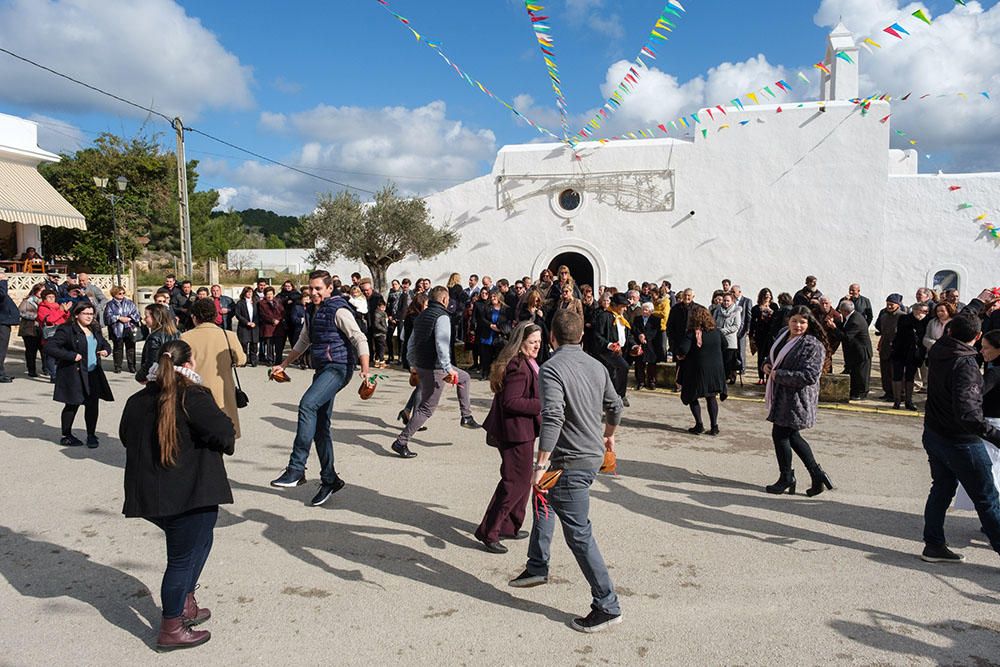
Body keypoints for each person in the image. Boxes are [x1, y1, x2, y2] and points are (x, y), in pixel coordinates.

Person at [508, 309, 623, 634]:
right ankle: (537, 565)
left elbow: (554, 416)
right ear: (582, 336)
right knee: (544, 499)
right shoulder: (597, 366)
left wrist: (540, 462)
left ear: (553, 338)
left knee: (579, 534)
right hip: (586, 457)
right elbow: (616, 405)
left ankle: (608, 603)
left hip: (569, 460)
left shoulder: (551, 368)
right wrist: (609, 432)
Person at [119, 339, 235, 652]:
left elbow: (125, 437)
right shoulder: (193, 396)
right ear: (191, 363)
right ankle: (171, 626)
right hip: (189, 492)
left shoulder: (138, 399)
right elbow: (224, 432)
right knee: (181, 559)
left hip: (153, 494)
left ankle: (184, 601)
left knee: (201, 540)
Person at [268, 271, 370, 505]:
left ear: (328, 289)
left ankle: (296, 468)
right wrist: (283, 364)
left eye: (318, 289)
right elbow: (303, 342)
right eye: (311, 288)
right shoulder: (311, 311)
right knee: (320, 426)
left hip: (339, 368)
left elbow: (359, 338)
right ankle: (329, 479)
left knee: (307, 405)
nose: (313, 293)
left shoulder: (339, 310)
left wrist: (365, 369)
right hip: (323, 369)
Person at [920, 295, 1000, 563]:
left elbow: (962, 318)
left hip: (934, 434)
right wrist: (995, 436)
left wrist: (979, 301)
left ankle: (933, 544)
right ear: (978, 337)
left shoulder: (942, 347)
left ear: (950, 331)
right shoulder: (965, 365)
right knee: (987, 499)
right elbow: (968, 415)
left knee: (941, 488)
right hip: (959, 440)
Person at [475, 322, 543, 553]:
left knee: (522, 481)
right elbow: (511, 401)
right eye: (533, 342)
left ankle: (510, 526)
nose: (537, 346)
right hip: (514, 433)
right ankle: (489, 531)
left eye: (539, 342)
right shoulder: (518, 366)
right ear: (521, 342)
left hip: (521, 431)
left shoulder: (528, 363)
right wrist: (542, 404)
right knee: (514, 483)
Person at [389, 286, 479, 458]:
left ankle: (466, 416)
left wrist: (412, 363)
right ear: (445, 300)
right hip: (435, 367)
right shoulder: (442, 316)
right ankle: (401, 441)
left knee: (465, 378)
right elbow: (442, 344)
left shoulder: (422, 315)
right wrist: (448, 368)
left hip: (423, 365)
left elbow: (410, 341)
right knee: (426, 409)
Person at [763, 306, 833, 496]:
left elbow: (810, 376)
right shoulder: (783, 334)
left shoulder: (812, 345)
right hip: (780, 396)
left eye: (802, 322)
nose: (798, 325)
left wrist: (779, 375)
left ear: (809, 324)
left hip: (797, 399)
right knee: (791, 436)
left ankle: (787, 477)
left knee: (781, 435)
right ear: (788, 320)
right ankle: (816, 475)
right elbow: (771, 355)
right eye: (794, 321)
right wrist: (766, 365)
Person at [48, 301, 113, 448]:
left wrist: (106, 351)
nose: (89, 317)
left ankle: (91, 435)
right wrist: (71, 356)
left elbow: (104, 343)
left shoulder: (94, 328)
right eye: (86, 313)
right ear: (77, 314)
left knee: (92, 405)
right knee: (72, 404)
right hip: (74, 373)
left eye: (91, 314)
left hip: (92, 373)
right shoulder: (67, 330)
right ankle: (66, 435)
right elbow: (50, 347)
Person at [181, 299, 247, 439]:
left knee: (197, 432)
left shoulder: (185, 337)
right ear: (215, 315)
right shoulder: (229, 336)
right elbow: (241, 360)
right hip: (223, 391)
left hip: (195, 391)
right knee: (223, 431)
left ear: (194, 316)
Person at [954, 329, 1000, 512]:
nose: (982, 351)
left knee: (988, 476)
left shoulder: (995, 374)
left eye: (986, 348)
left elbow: (974, 397)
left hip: (991, 427)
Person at [677, 305, 727, 435]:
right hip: (715, 369)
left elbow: (683, 349)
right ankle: (714, 426)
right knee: (711, 397)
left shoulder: (693, 333)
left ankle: (699, 425)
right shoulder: (716, 331)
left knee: (692, 396)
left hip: (697, 370)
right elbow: (725, 345)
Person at [592, 292, 635, 406]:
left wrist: (634, 345)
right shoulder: (604, 316)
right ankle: (618, 396)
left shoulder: (623, 318)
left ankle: (617, 396)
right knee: (621, 368)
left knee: (615, 373)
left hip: (621, 351)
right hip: (607, 351)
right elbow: (597, 335)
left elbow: (628, 335)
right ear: (615, 305)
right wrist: (609, 344)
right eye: (623, 306)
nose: (625, 309)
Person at [890, 302, 929, 411]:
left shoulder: (926, 321)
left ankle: (909, 401)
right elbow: (902, 332)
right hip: (900, 350)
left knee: (910, 377)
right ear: (916, 310)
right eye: (922, 311)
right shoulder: (905, 318)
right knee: (897, 375)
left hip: (914, 353)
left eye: (926, 312)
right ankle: (897, 400)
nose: (924, 314)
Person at [835, 300, 873, 400]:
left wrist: (834, 328)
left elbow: (846, 337)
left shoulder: (855, 320)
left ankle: (861, 393)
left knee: (861, 374)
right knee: (855, 373)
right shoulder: (851, 316)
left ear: (844, 311)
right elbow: (844, 328)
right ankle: (855, 392)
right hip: (854, 352)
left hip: (861, 352)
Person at [137, 303, 180, 384]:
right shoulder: (177, 333)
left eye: (147, 316)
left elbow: (151, 362)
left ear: (155, 318)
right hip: (175, 377)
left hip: (158, 379)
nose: (145, 319)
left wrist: (140, 376)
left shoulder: (154, 337)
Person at [104, 286, 141, 374]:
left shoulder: (129, 302)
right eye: (119, 293)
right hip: (116, 328)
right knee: (117, 348)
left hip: (129, 327)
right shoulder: (110, 304)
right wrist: (118, 318)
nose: (122, 295)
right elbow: (107, 316)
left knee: (131, 348)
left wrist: (129, 318)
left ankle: (132, 366)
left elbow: (136, 313)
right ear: (114, 294)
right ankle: (117, 366)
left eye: (123, 293)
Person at [874, 294, 905, 401]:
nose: (889, 307)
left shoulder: (902, 316)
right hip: (885, 347)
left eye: (891, 304)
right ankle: (888, 392)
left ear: (898, 305)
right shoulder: (884, 316)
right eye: (888, 304)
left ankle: (899, 394)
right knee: (885, 372)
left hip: (898, 349)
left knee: (896, 373)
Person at [476, 291, 510, 381]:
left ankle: (497, 375)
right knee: (486, 356)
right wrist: (490, 325)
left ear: (499, 298)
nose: (492, 298)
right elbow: (482, 319)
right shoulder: (487, 308)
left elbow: (507, 321)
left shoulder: (505, 309)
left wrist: (499, 328)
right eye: (491, 297)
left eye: (494, 297)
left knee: (498, 356)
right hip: (487, 335)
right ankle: (485, 374)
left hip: (499, 335)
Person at [38, 288, 70, 381]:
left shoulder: (57, 306)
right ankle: (54, 375)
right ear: (44, 298)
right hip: (50, 334)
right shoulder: (42, 308)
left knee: (61, 354)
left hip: (60, 332)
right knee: (51, 355)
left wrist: (66, 311)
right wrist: (60, 311)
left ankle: (60, 373)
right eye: (49, 297)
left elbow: (65, 318)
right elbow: (50, 320)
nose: (52, 299)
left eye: (53, 297)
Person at [631, 301, 662, 390]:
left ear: (651, 311)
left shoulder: (656, 320)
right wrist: (640, 335)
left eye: (646, 310)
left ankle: (651, 381)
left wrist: (646, 337)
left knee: (651, 364)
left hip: (651, 344)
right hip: (640, 344)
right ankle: (641, 381)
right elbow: (635, 329)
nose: (644, 312)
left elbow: (655, 331)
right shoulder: (637, 319)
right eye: (643, 310)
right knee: (640, 364)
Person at [712, 292, 741, 384]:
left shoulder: (736, 311)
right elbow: (713, 322)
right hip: (719, 340)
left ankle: (729, 378)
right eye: (724, 301)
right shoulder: (717, 310)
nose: (726, 303)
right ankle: (720, 378)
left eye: (728, 301)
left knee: (729, 361)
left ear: (732, 301)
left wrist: (723, 330)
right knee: (720, 361)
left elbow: (736, 326)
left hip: (730, 340)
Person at [748, 288, 776, 385]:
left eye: (769, 296)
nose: (767, 298)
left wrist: (770, 311)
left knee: (770, 356)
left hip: (771, 335)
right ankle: (761, 377)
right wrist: (751, 335)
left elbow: (776, 319)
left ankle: (769, 376)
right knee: (760, 357)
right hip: (760, 335)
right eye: (765, 296)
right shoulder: (756, 308)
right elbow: (752, 323)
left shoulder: (774, 306)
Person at [17, 282, 45, 378]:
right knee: (31, 351)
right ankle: (31, 370)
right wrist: (36, 316)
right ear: (36, 291)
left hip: (41, 329)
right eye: (41, 291)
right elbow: (21, 312)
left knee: (44, 350)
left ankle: (46, 368)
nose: (43, 293)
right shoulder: (28, 301)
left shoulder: (44, 302)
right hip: (29, 329)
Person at [257, 286, 285, 366]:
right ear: (265, 295)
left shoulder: (278, 301)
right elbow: (263, 314)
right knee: (270, 345)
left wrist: (278, 319)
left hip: (278, 326)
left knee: (279, 346)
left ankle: (278, 360)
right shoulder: (262, 303)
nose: (269, 296)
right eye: (268, 294)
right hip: (268, 326)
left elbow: (282, 312)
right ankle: (270, 360)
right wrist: (272, 320)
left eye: (271, 294)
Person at [0, 270, 19, 383]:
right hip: (2, 322)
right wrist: (3, 281)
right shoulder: (2, 287)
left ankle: (1, 372)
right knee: (1, 350)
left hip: (4, 322)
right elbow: (2, 294)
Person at [234, 286, 259, 367]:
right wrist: (247, 322)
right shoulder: (240, 303)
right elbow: (238, 314)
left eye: (250, 292)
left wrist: (255, 322)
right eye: (247, 292)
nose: (249, 294)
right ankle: (244, 361)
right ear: (244, 293)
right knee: (244, 344)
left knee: (254, 344)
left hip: (254, 326)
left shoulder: (256, 302)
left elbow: (259, 314)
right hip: (244, 326)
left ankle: (253, 361)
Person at [732, 285, 753, 374]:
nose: (732, 293)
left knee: (741, 350)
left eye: (733, 292)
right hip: (733, 329)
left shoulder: (746, 301)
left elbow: (748, 316)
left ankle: (742, 368)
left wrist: (747, 329)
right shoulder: (731, 301)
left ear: (739, 292)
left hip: (742, 329)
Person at [372, 299, 389, 368]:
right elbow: (376, 324)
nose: (383, 309)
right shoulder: (378, 314)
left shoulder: (383, 313)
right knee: (381, 347)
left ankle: (377, 361)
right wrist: (384, 330)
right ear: (378, 307)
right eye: (382, 307)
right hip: (380, 333)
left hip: (380, 333)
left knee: (378, 347)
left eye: (384, 307)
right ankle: (381, 361)